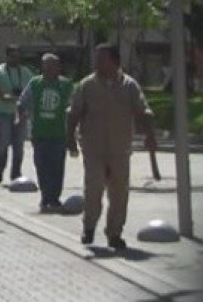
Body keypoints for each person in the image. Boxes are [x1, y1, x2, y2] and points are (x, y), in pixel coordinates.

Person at [67, 43, 157, 250]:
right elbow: (73, 113)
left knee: (119, 194)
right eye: (96, 59)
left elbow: (143, 111)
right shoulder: (87, 85)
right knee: (94, 189)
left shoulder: (129, 85)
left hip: (120, 148)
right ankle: (89, 227)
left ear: (115, 61)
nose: (97, 63)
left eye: (101, 59)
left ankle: (114, 233)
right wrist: (69, 137)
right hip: (94, 148)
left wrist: (150, 135)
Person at [18, 53, 74, 213]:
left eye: (53, 66)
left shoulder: (66, 84)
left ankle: (54, 198)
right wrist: (20, 116)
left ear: (58, 67)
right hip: (39, 133)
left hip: (58, 134)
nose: (49, 69)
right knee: (41, 166)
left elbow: (74, 106)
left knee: (57, 167)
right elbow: (23, 101)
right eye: (46, 66)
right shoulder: (35, 83)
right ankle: (45, 196)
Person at [0, 44, 34, 183]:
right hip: (4, 113)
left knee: (19, 145)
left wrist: (15, 99)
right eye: (12, 56)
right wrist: (12, 97)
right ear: (7, 56)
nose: (15, 59)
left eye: (18, 56)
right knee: (4, 143)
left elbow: (31, 91)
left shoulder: (25, 72)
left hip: (20, 113)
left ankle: (16, 174)